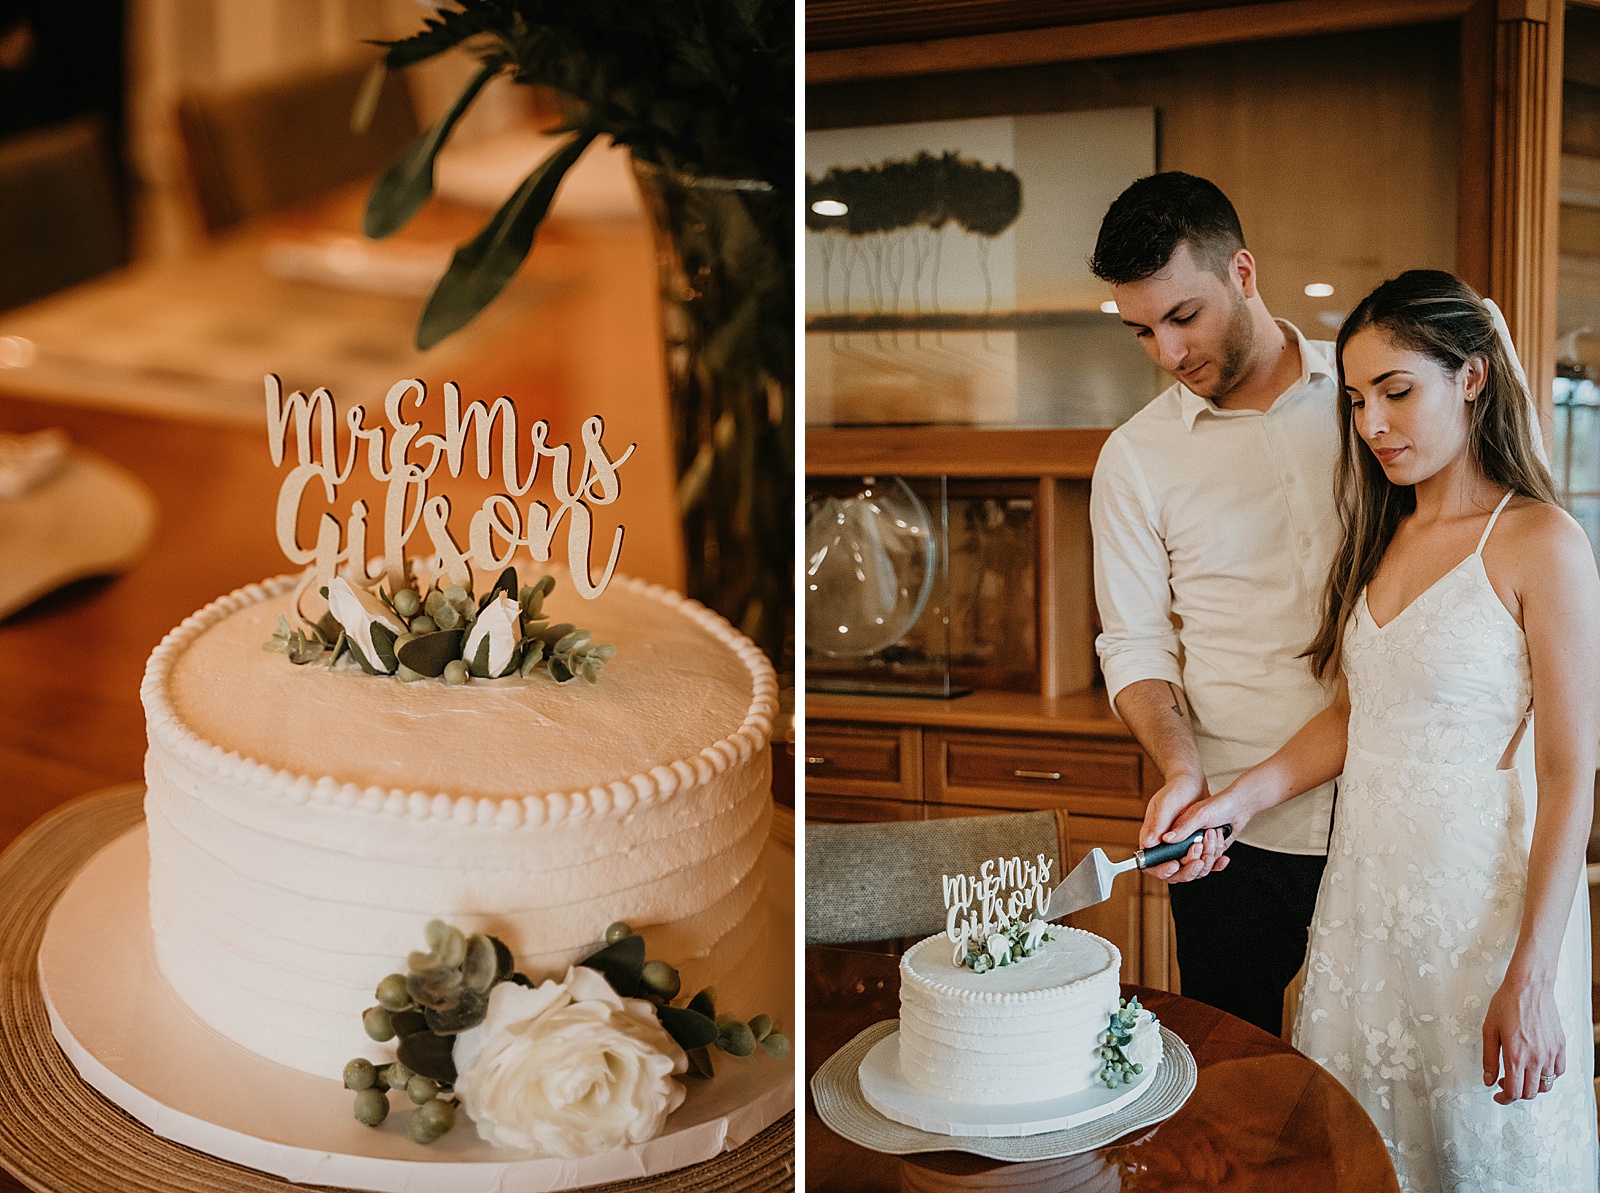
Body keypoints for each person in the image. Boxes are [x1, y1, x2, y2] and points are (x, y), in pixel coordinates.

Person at [1167, 269, 1600, 1190]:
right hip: (1365, 909)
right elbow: (1360, 714)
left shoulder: (1542, 542)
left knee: (1478, 1156)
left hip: (1483, 917)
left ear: (1472, 377)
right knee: (1363, 1155)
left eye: (1398, 392)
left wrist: (1533, 972)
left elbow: (1571, 770)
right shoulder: (1383, 535)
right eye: (1360, 400)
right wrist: (1236, 800)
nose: (1372, 424)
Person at [1088, 171, 1337, 1036]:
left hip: (1391, 809)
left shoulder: (1369, 401)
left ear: (1242, 272)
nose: (1166, 352)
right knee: (1234, 1084)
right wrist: (1181, 770)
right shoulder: (1134, 458)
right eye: (1141, 331)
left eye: (1182, 317)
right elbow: (1134, 643)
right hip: (1230, 834)